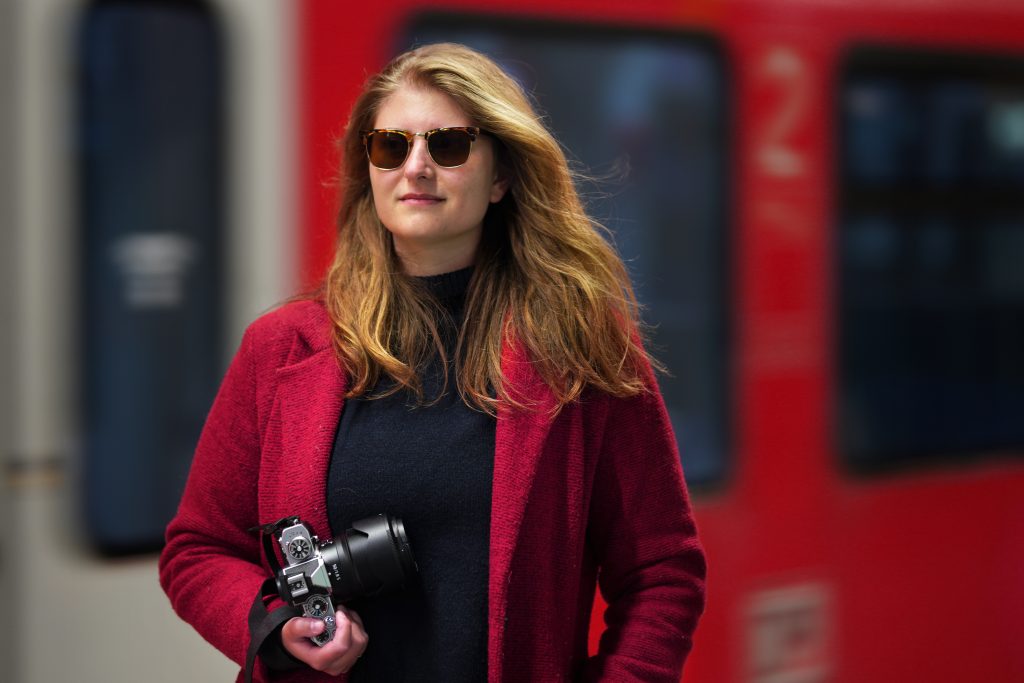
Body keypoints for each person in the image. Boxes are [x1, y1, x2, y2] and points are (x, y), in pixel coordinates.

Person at [159, 42, 706, 682]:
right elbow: (197, 550)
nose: (415, 168)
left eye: (448, 146)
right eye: (391, 146)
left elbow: (662, 570)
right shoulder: (281, 348)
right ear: (370, 167)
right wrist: (280, 627)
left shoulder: (582, 349)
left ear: (500, 177)